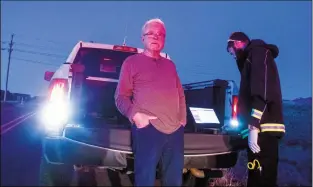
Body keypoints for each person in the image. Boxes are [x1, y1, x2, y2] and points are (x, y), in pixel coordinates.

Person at [115, 18, 186, 186]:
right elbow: (120, 97)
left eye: (160, 34)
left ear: (164, 40)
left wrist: (182, 120)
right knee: (145, 179)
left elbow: (181, 95)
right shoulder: (131, 63)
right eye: (151, 33)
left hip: (175, 131)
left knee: (174, 181)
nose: (156, 37)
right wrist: (136, 116)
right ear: (142, 38)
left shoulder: (170, 65)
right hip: (148, 130)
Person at [226, 31, 286, 187]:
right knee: (256, 175)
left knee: (262, 177)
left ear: (237, 43)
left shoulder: (258, 53)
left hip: (263, 129)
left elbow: (262, 90)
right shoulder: (250, 58)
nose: (232, 55)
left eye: (231, 50)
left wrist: (253, 125)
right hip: (259, 129)